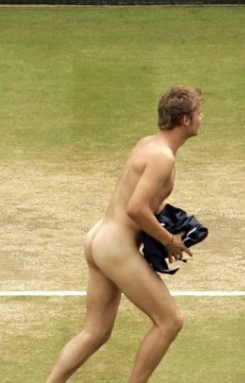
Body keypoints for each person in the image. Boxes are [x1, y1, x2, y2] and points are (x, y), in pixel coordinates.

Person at [46, 85, 205, 383]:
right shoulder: (163, 158)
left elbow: (145, 202)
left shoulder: (148, 144)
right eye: (198, 113)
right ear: (186, 119)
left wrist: (173, 220)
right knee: (169, 322)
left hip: (100, 238)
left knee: (96, 331)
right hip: (116, 246)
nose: (202, 117)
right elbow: (136, 208)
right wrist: (168, 240)